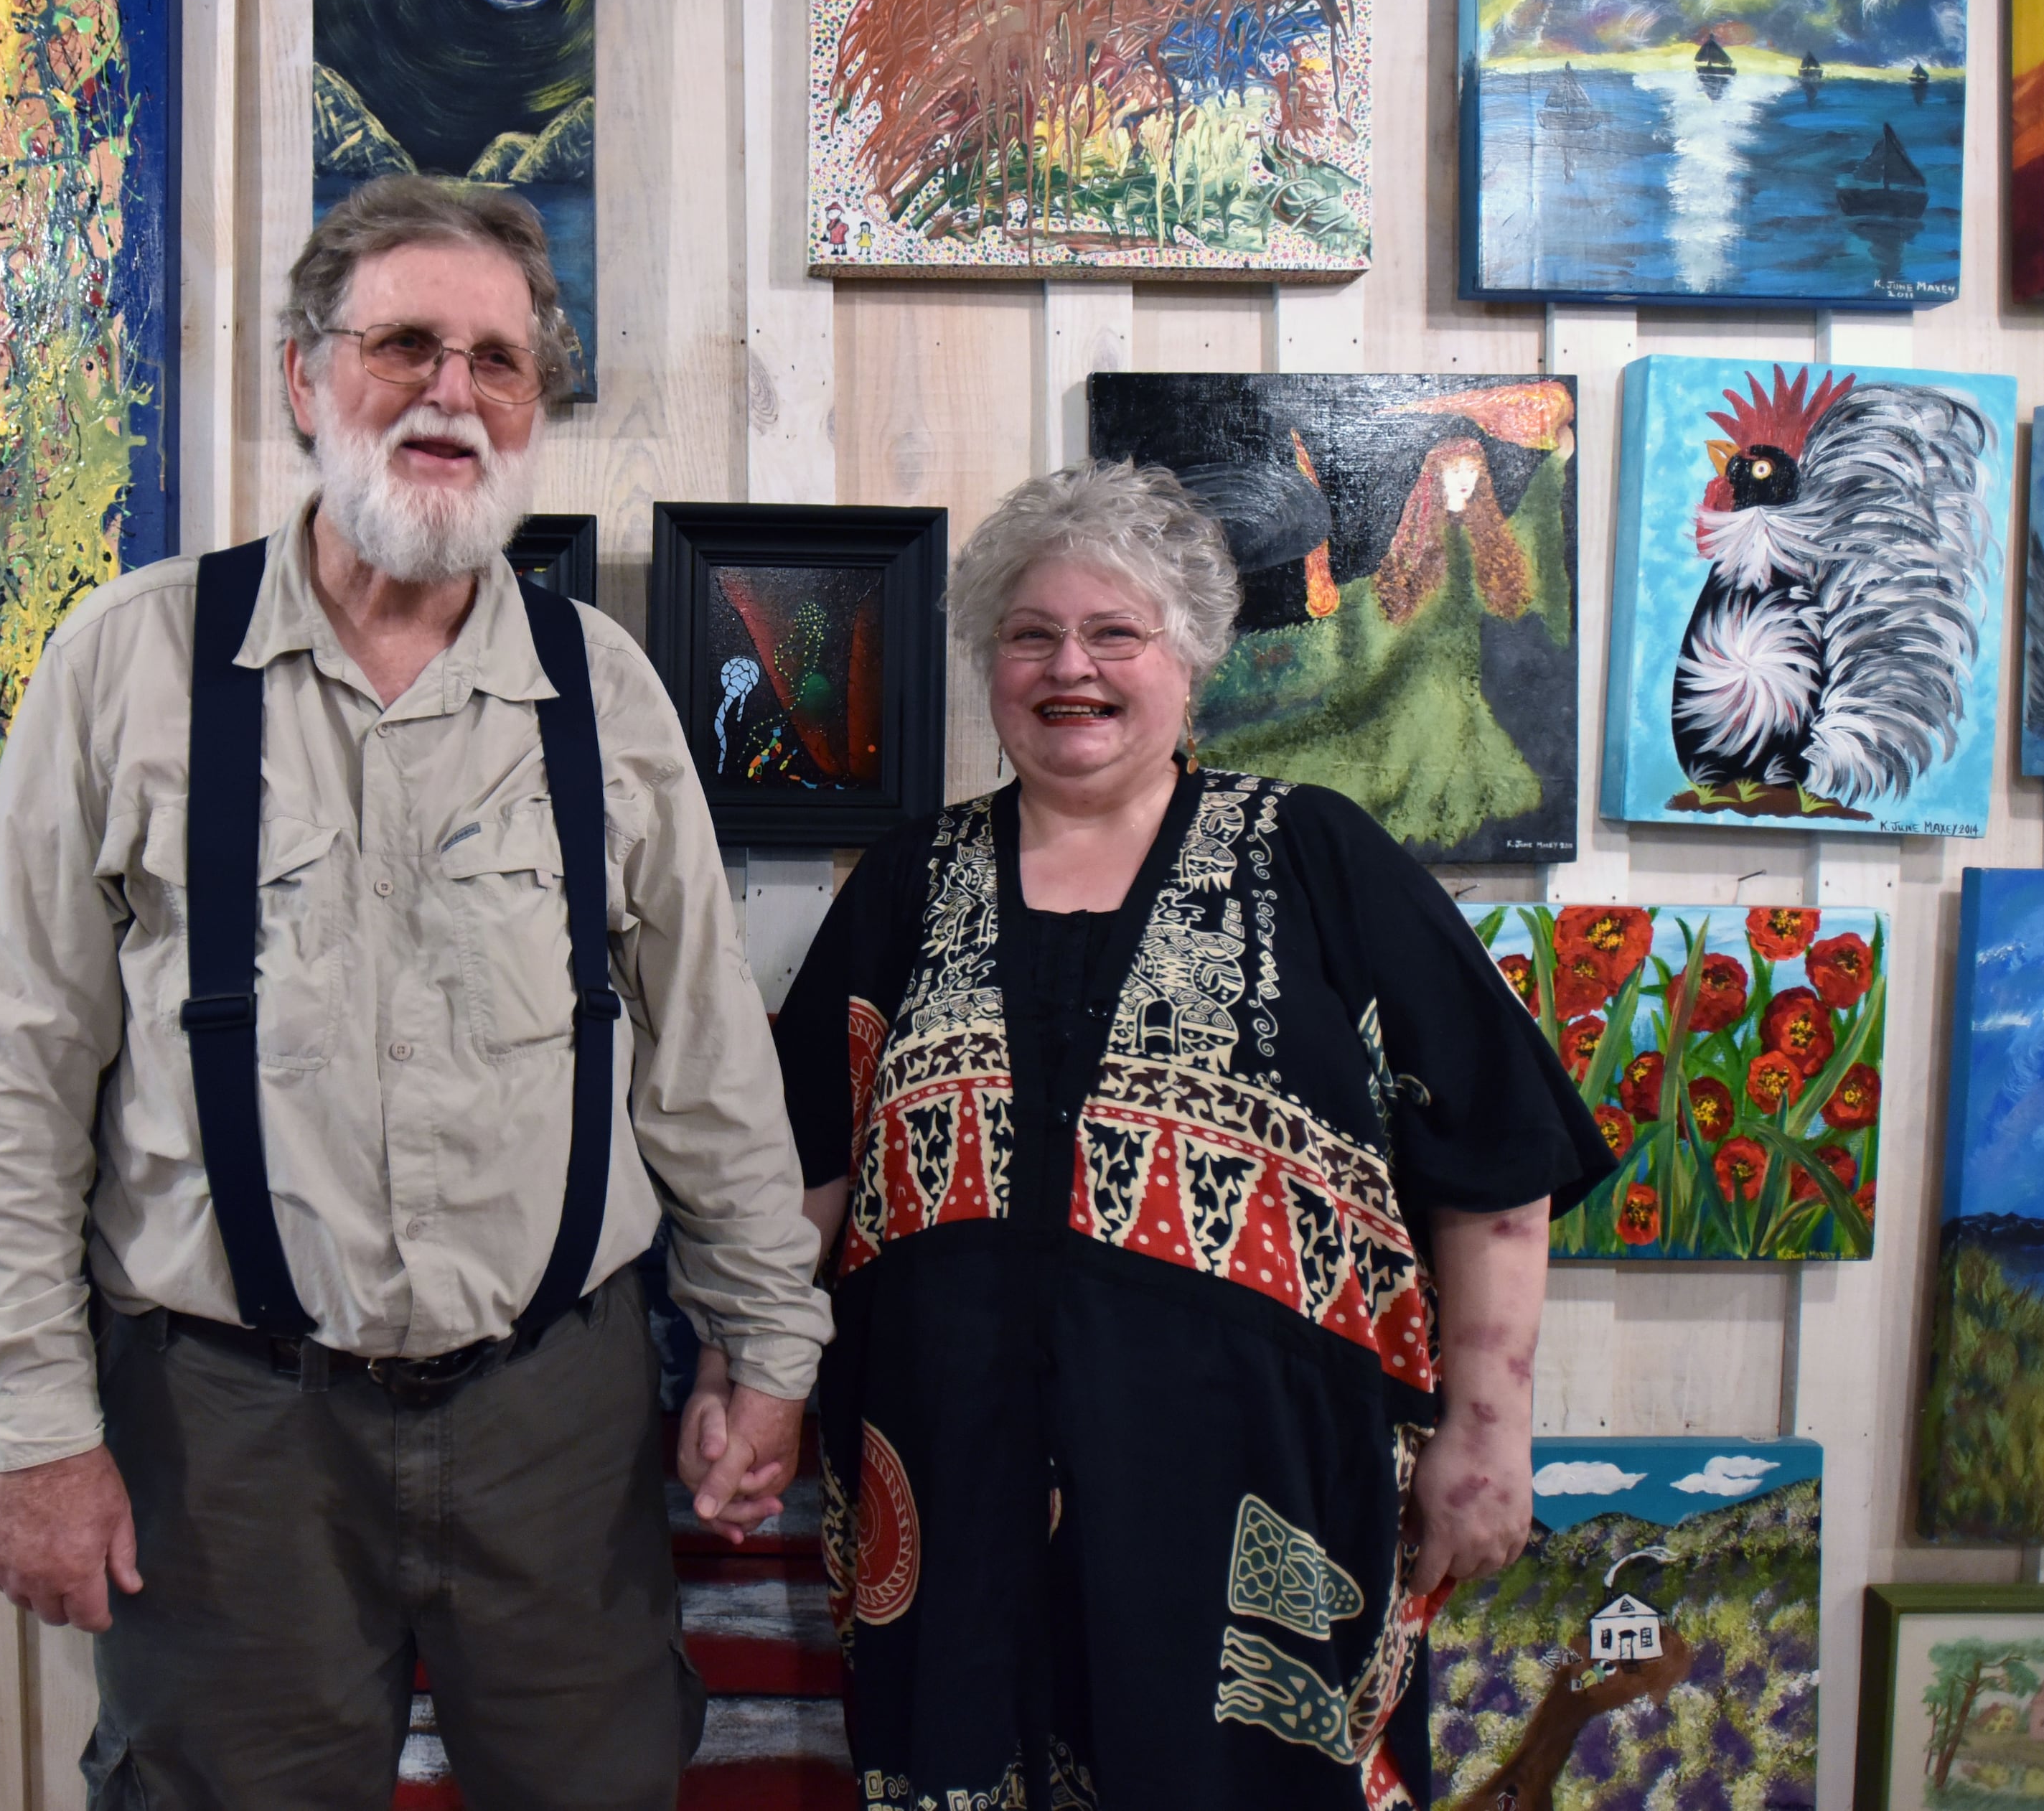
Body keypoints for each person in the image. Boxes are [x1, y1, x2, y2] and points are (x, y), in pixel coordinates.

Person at [0, 173, 833, 1811]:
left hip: (558, 1417)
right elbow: (11, 1072)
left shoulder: (599, 689)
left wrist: (768, 1339)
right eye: (403, 342)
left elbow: (706, 1060)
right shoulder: (126, 663)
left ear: (536, 402)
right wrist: (34, 1421)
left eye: (497, 359)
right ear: (303, 376)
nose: (450, 392)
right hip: (227, 1429)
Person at [688, 462, 1616, 1810]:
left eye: (1115, 635)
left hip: (1265, 1509)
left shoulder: (1320, 858)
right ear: (992, 664)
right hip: (947, 1500)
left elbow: (1495, 1157)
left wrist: (1491, 1434)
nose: (1073, 667)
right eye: (1032, 634)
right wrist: (746, 1381)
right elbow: (799, 1173)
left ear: (1189, 658)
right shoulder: (907, 883)